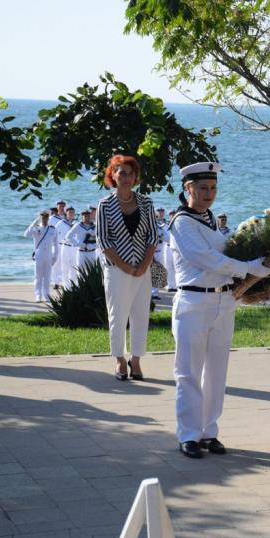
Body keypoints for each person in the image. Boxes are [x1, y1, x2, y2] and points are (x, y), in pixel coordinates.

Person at [171, 161, 270, 458]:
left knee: (217, 372)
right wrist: (250, 268)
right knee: (189, 372)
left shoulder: (209, 219)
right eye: (202, 188)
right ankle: (188, 434)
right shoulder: (182, 222)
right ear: (188, 189)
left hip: (223, 301)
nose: (209, 194)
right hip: (194, 302)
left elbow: (223, 253)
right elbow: (207, 259)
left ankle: (209, 431)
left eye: (213, 188)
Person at [96, 155, 160, 381]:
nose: (125, 177)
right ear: (112, 175)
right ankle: (120, 360)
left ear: (136, 177)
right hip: (116, 269)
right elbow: (103, 240)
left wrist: (144, 264)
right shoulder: (105, 205)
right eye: (121, 172)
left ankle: (136, 360)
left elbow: (153, 234)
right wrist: (125, 266)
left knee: (141, 315)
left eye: (130, 173)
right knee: (118, 316)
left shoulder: (146, 202)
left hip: (143, 269)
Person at [24, 211, 58, 302]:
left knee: (47, 277)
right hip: (39, 256)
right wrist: (35, 222)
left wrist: (55, 256)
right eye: (43, 218)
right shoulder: (36, 229)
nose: (45, 220)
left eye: (46, 218)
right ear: (40, 218)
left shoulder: (52, 229)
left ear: (48, 218)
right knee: (38, 277)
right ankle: (38, 295)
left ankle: (46, 295)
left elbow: (56, 244)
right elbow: (26, 234)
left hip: (48, 256)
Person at [66, 209, 97, 275]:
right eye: (84, 216)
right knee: (80, 273)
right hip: (81, 252)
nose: (86, 218)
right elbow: (68, 236)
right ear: (82, 217)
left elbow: (99, 238)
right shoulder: (78, 226)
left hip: (92, 252)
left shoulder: (95, 227)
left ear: (90, 216)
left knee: (92, 272)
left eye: (88, 216)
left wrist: (95, 245)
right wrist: (78, 244)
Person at [57, 206, 77, 287]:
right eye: (69, 212)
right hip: (64, 246)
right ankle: (66, 286)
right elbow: (55, 233)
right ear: (66, 213)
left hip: (74, 247)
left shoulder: (77, 223)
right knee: (65, 267)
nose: (71, 214)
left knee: (74, 267)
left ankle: (73, 285)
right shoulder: (61, 223)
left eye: (72, 212)